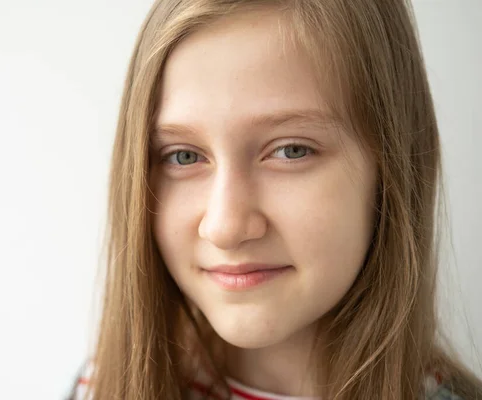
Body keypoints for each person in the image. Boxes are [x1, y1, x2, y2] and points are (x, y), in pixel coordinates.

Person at [68, 0, 482, 399]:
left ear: (393, 167)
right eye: (184, 156)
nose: (225, 227)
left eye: (291, 151)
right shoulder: (99, 389)